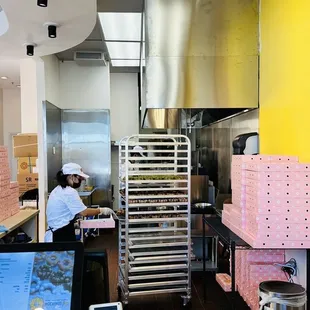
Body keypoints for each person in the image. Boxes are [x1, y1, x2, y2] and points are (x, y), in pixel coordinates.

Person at [45, 163, 115, 242]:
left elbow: (63, 213)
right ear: (71, 176)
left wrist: (73, 223)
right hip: (59, 235)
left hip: (56, 232)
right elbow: (84, 212)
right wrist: (102, 210)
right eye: (80, 178)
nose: (81, 181)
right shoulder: (69, 192)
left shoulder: (58, 189)